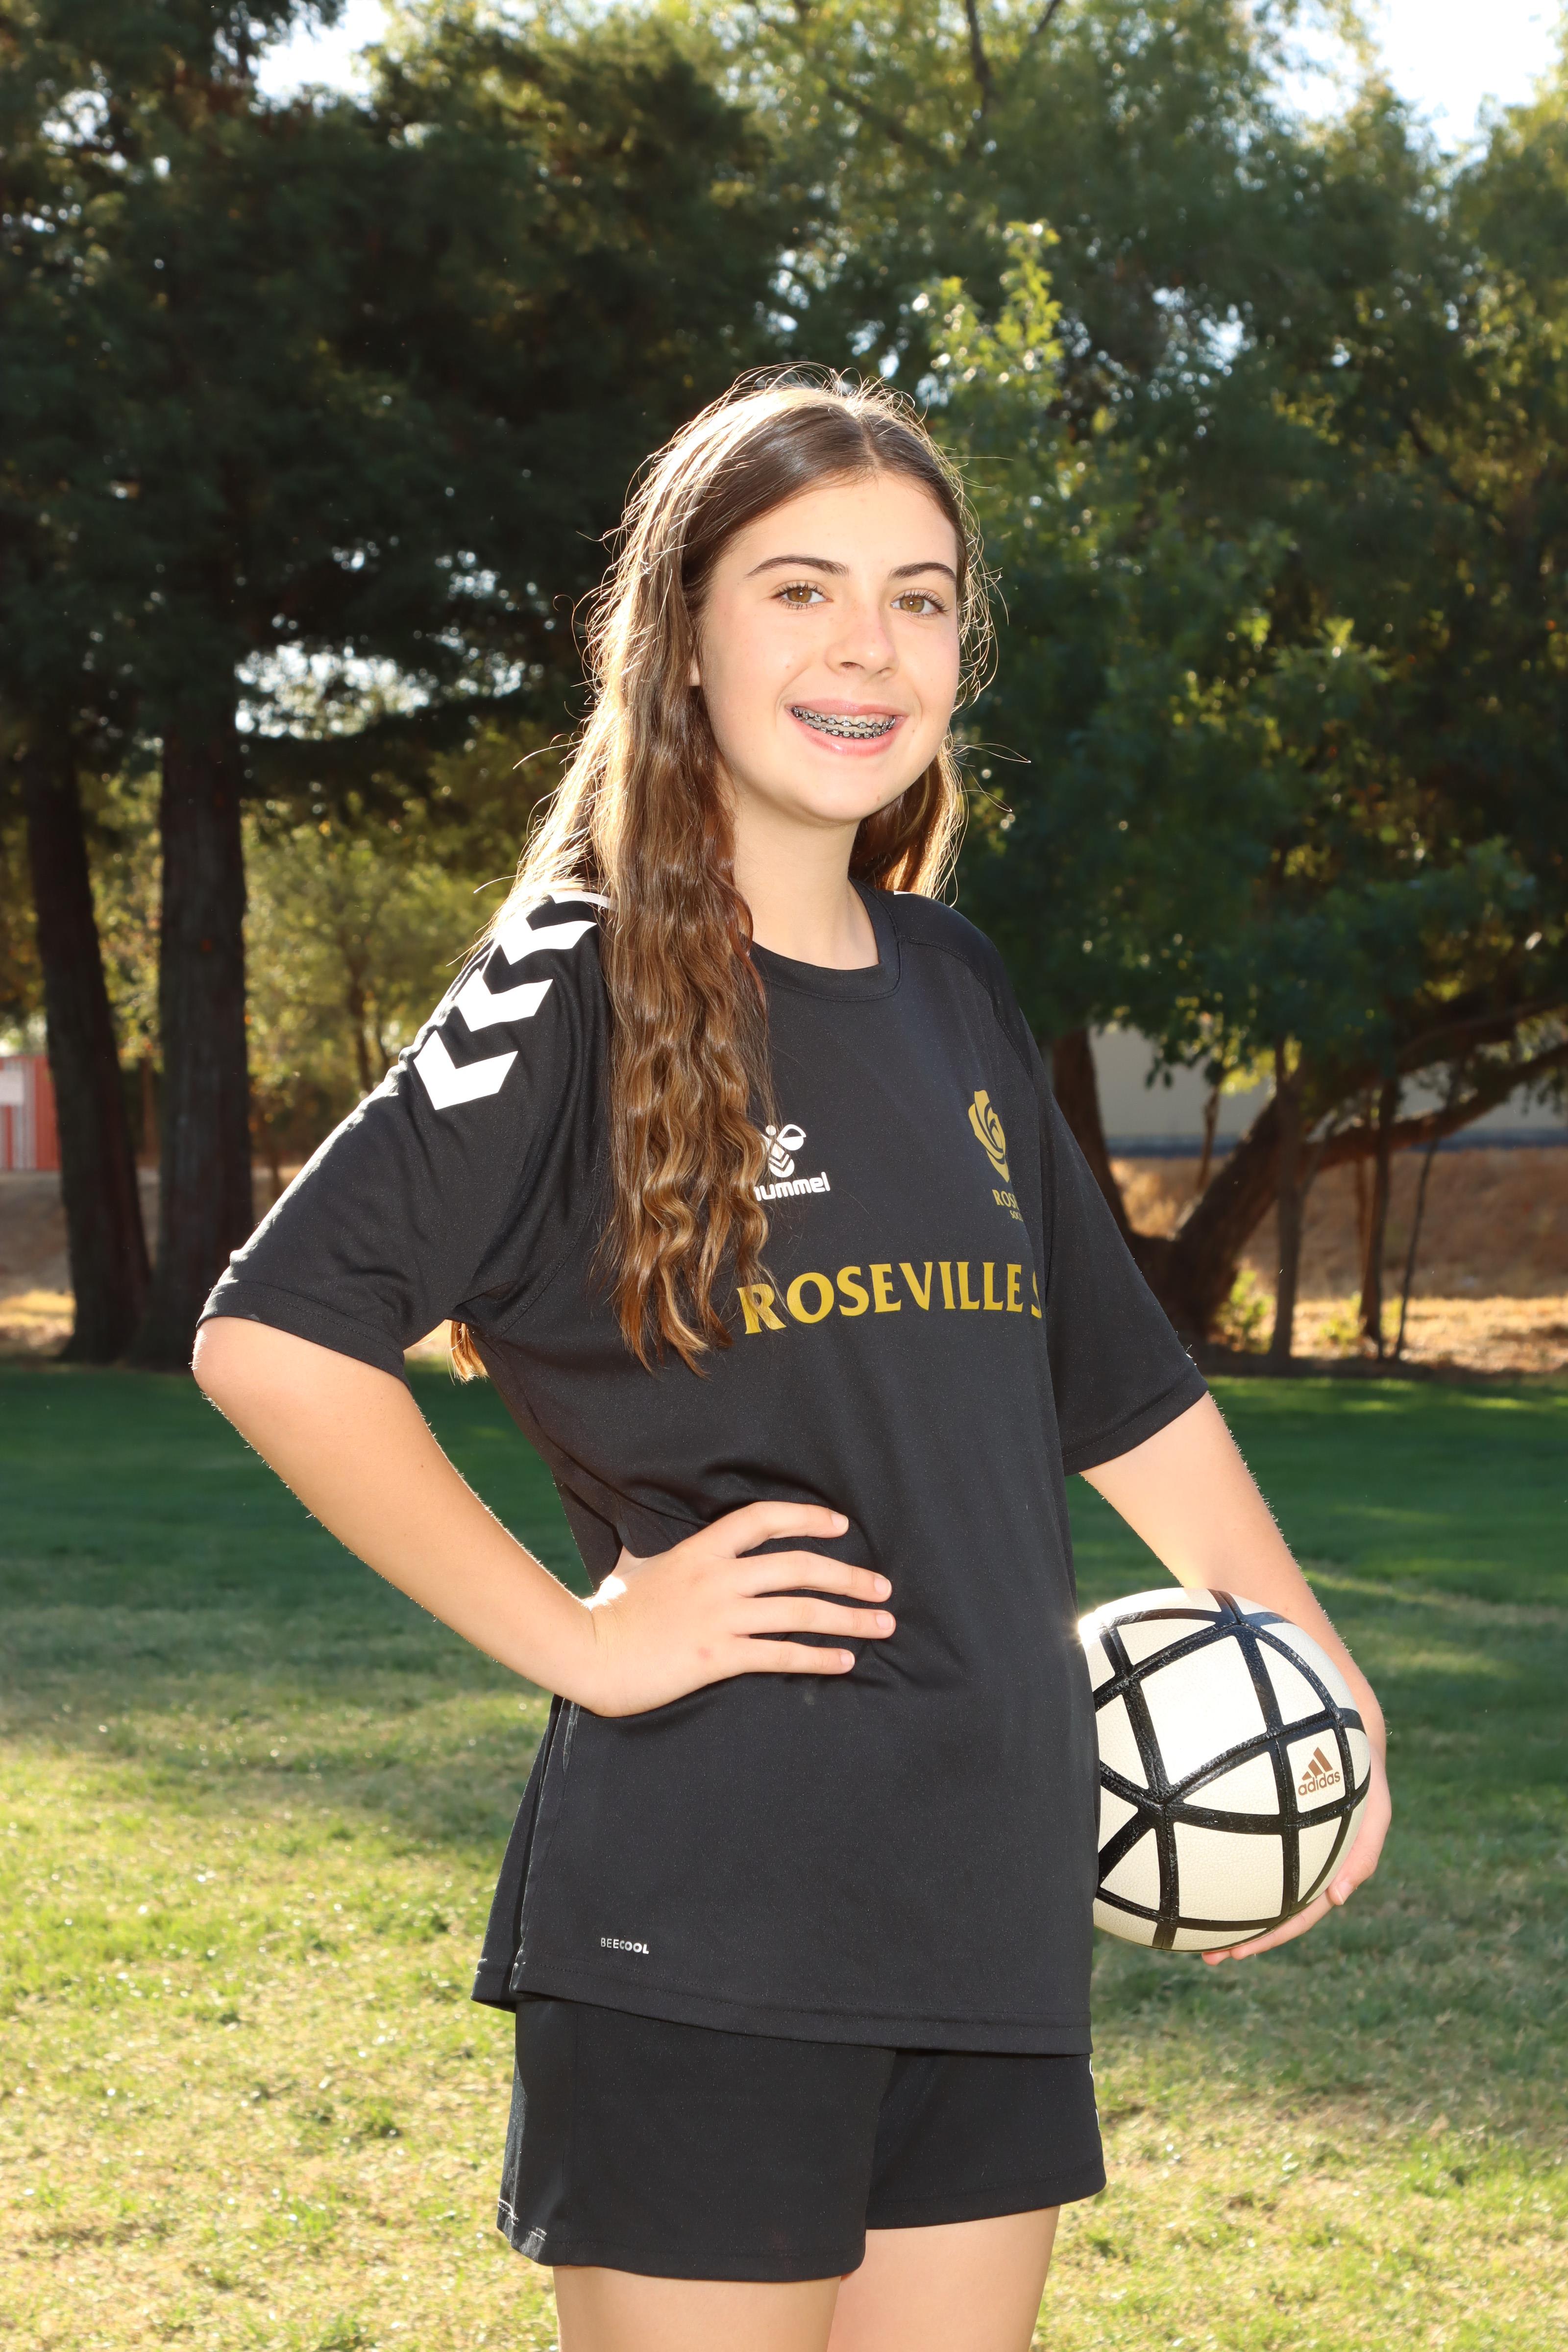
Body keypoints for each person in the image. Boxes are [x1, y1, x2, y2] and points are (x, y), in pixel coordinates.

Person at [193, 376, 1391, 2352]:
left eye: (919, 600)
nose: (867, 647)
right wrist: (585, 1642)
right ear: (679, 637)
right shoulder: (568, 976)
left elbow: (1117, 1384)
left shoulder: (950, 979)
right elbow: (275, 1337)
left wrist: (1311, 1668)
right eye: (800, 589)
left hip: (992, 1897)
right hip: (710, 1911)